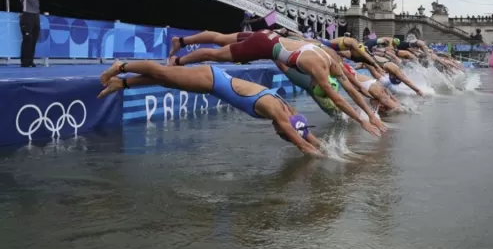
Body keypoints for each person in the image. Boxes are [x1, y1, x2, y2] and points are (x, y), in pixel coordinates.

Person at [168, 30, 386, 136]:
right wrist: (362, 121)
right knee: (217, 55)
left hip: (268, 35)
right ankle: (178, 61)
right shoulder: (320, 70)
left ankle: (182, 41)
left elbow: (350, 88)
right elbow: (338, 98)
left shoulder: (328, 56)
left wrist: (371, 115)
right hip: (262, 46)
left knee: (220, 38)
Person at [98, 60, 324, 157]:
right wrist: (336, 162)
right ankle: (121, 67)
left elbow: (306, 134)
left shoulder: (289, 110)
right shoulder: (277, 112)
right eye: (281, 134)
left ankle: (122, 83)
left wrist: (331, 148)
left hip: (213, 83)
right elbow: (302, 144)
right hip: (211, 79)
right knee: (163, 73)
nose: (277, 133)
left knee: (166, 80)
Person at [18, 0, 49, 67]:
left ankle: (30, 60)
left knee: (33, 40)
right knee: (27, 39)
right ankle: (25, 61)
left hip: (35, 17)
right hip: (27, 16)